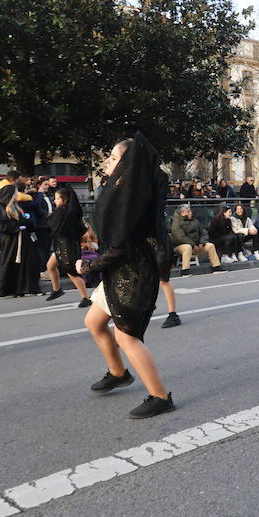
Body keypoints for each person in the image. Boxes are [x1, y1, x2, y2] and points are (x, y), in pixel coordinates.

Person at [79, 134, 179, 419]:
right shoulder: (123, 190)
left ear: (128, 165)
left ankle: (160, 397)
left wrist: (89, 266)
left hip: (133, 273)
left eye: (113, 157)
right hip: (120, 270)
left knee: (126, 336)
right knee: (94, 322)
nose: (106, 161)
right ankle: (118, 372)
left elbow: (120, 248)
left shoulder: (131, 198)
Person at [0, 182, 41, 297]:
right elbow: (0, 226)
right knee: (9, 263)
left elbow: (24, 222)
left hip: (23, 239)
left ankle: (27, 287)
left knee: (28, 262)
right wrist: (16, 227)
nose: (17, 196)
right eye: (15, 194)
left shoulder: (17, 207)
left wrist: (26, 223)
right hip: (10, 241)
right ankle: (9, 289)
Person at [45, 186, 91, 306]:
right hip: (61, 245)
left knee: (71, 271)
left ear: (64, 200)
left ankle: (85, 298)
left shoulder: (68, 213)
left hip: (67, 246)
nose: (55, 201)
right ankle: (57, 290)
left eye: (57, 199)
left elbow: (56, 226)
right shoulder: (65, 211)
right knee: (50, 266)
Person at [170, 204, 225, 276]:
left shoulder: (195, 220)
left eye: (190, 211)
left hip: (197, 246)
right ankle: (185, 270)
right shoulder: (176, 223)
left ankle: (216, 266)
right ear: (182, 213)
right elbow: (181, 237)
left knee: (210, 246)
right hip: (180, 246)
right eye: (188, 212)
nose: (190, 213)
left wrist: (202, 243)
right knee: (187, 247)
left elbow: (203, 233)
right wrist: (193, 245)